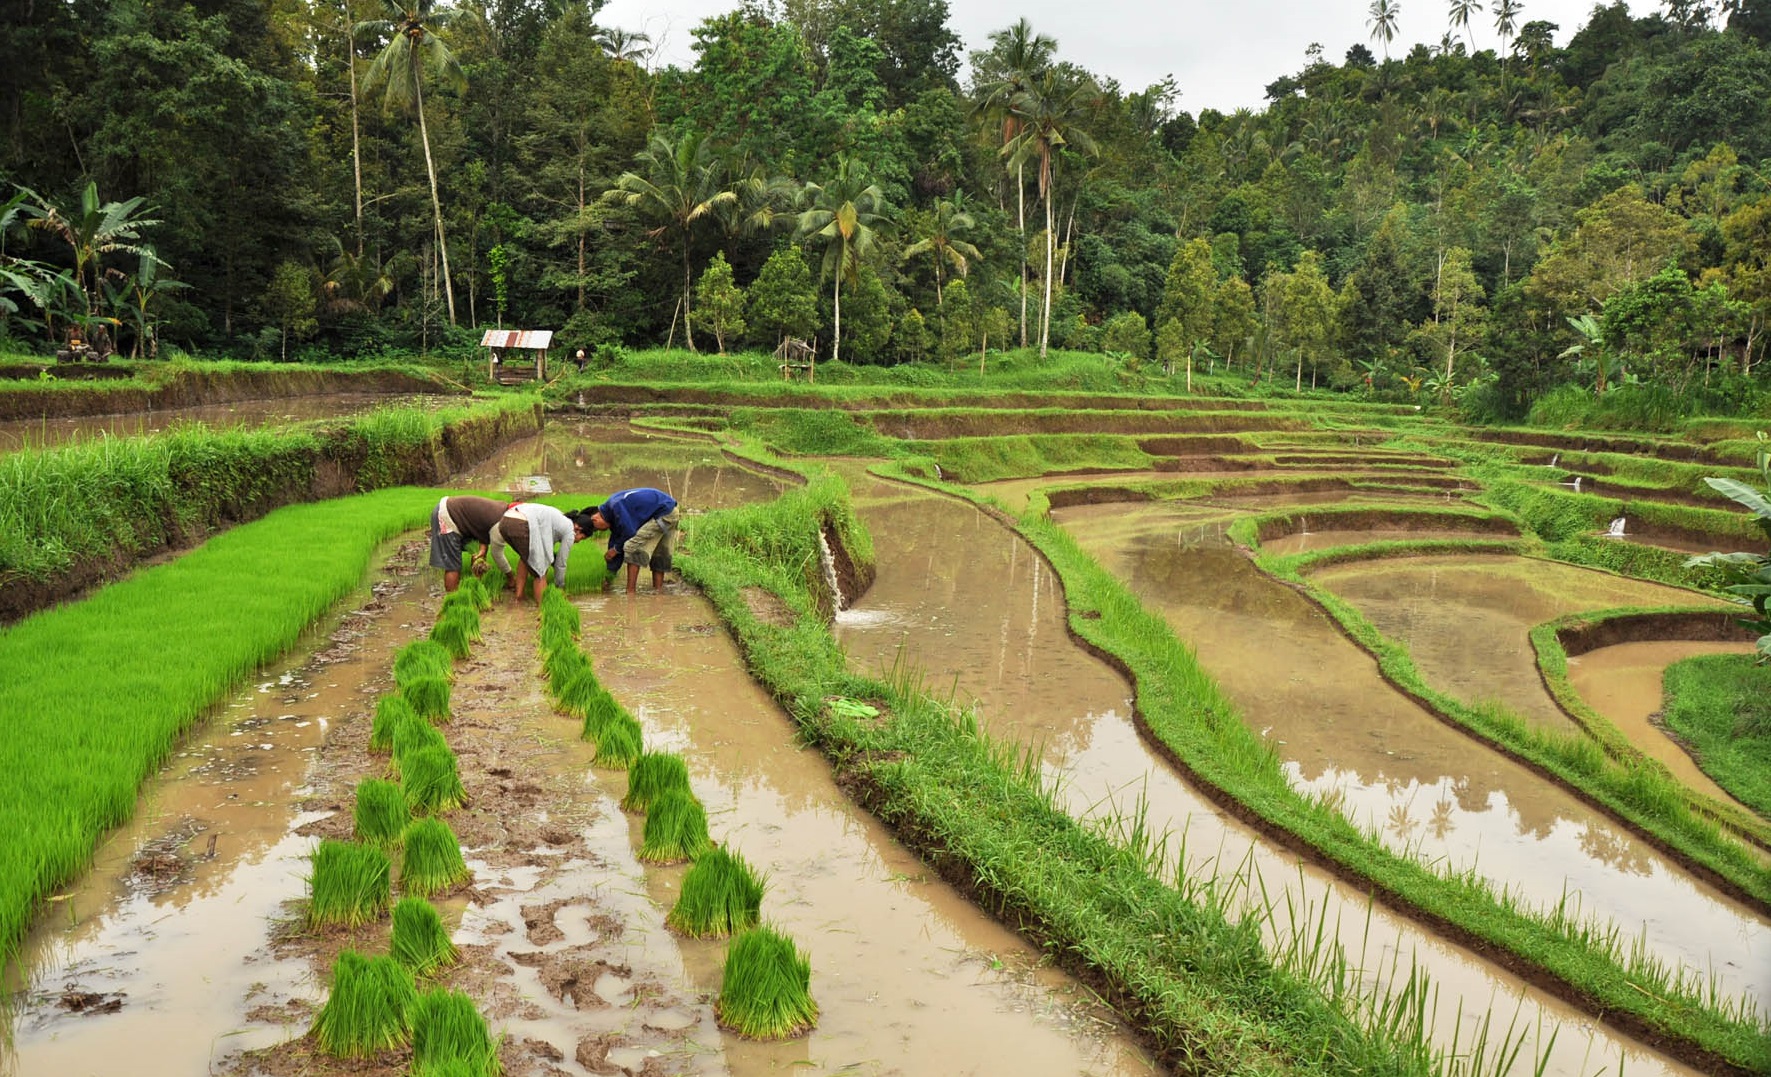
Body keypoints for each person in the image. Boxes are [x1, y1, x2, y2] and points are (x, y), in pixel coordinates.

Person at [575, 488, 680, 595]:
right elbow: (616, 541)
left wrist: (615, 550)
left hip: (665, 512)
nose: (600, 531)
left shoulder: (616, 507)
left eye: (596, 529)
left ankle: (630, 593)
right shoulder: (611, 512)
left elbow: (629, 532)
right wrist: (609, 573)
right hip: (669, 509)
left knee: (632, 547)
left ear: (595, 519)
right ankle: (658, 592)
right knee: (660, 553)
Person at [490, 500, 577, 603]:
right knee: (540, 571)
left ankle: (519, 598)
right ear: (578, 528)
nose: (578, 540)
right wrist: (560, 586)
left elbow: (545, 546)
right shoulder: (569, 529)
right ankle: (542, 609)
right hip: (520, 523)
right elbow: (561, 563)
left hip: (505, 521)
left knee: (525, 558)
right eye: (582, 537)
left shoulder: (556, 517)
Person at [428, 495, 510, 592]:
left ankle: (476, 585)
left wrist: (482, 549)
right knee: (453, 566)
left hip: (461, 517)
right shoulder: (501, 521)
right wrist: (511, 577)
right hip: (446, 515)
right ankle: (453, 599)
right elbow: (497, 553)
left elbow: (483, 528)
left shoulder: (501, 513)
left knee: (477, 550)